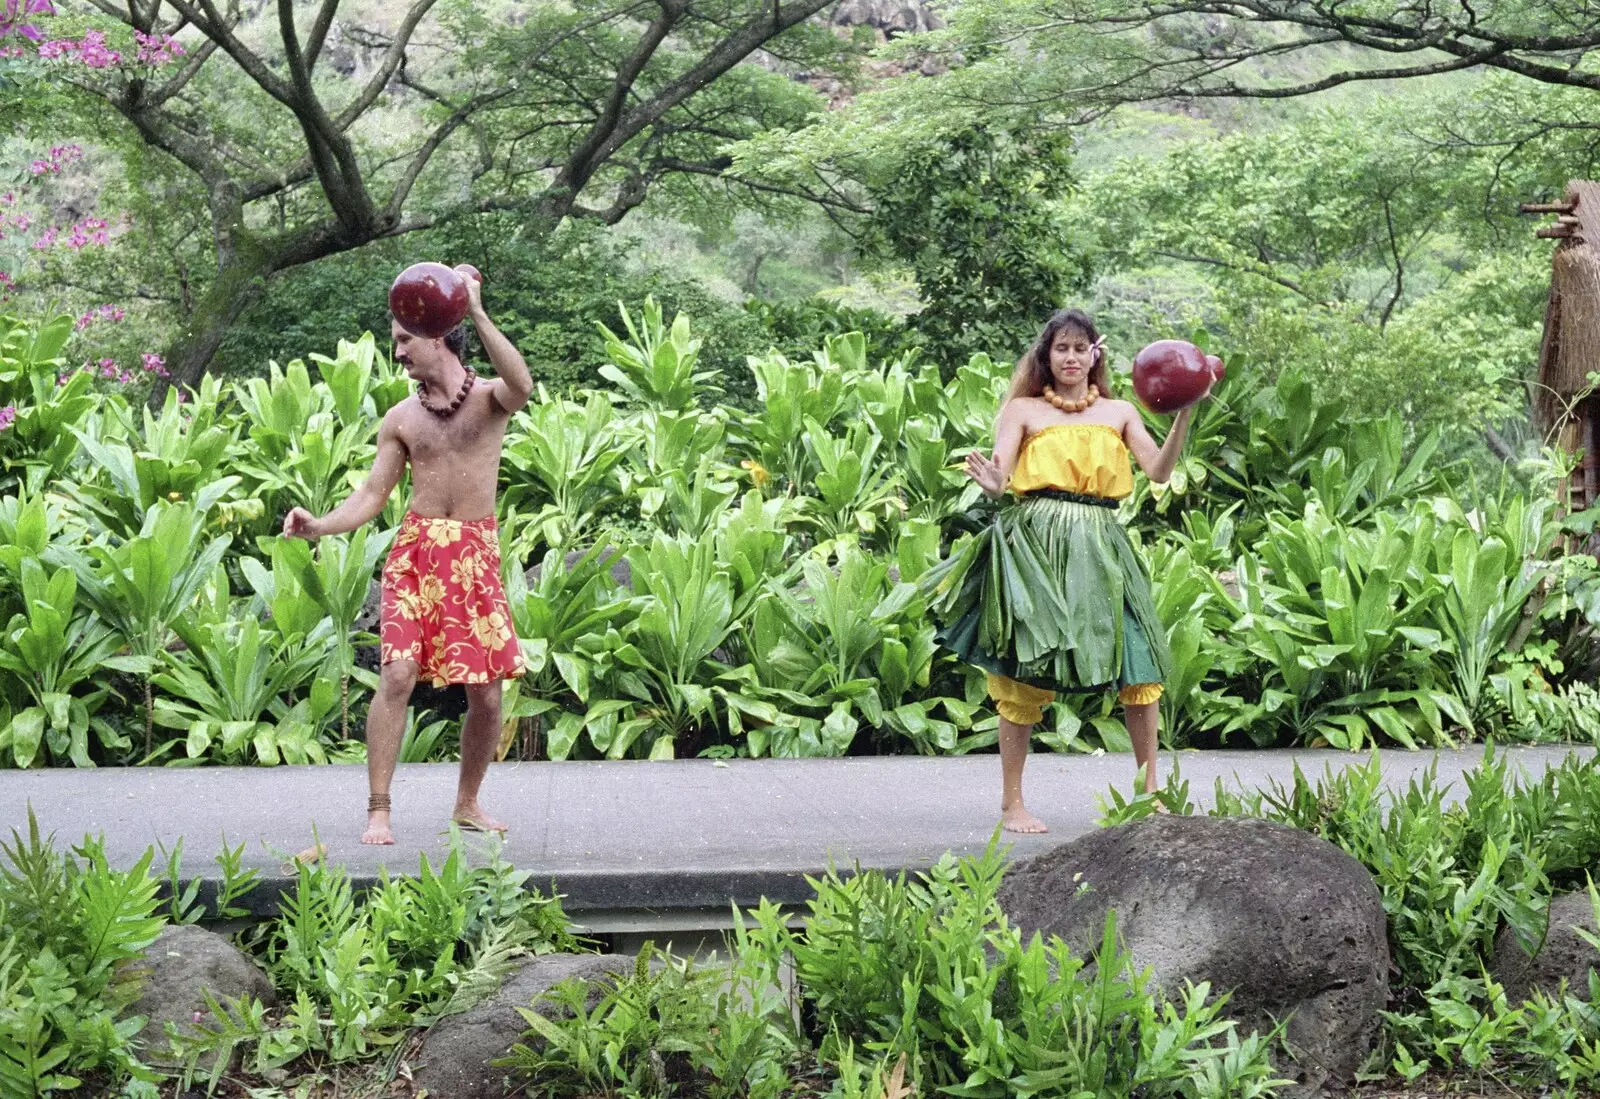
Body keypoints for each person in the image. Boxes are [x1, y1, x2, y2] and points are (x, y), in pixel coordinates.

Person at [923, 308, 1206, 834]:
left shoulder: (1120, 411)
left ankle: (1150, 793)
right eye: (1061, 349)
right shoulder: (1024, 410)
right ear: (1046, 356)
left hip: (1102, 545)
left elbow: (1159, 471)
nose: (1071, 358)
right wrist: (991, 484)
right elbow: (1002, 475)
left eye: (1080, 348)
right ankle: (1012, 803)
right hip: (1038, 545)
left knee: (1138, 663)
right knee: (1022, 670)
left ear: (1094, 354)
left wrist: (1185, 412)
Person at [282, 270, 532, 845]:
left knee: (487, 695)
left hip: (474, 555)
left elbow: (523, 384)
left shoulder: (491, 401)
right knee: (397, 673)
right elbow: (372, 496)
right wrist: (318, 525)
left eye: (403, 339)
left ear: (436, 335)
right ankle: (378, 809)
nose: (396, 352)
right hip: (417, 553)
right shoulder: (400, 418)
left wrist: (475, 309)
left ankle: (467, 803)